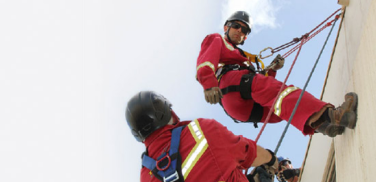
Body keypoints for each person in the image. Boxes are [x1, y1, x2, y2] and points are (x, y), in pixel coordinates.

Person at [195, 10, 358, 137]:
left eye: (244, 31)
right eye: (237, 26)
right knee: (282, 93)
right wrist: (209, 85)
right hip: (229, 85)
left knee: (280, 110)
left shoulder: (243, 58)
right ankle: (335, 115)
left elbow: (262, 87)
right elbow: (206, 62)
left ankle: (324, 126)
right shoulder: (217, 39)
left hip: (240, 107)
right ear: (226, 27)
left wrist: (271, 70)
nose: (240, 31)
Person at [125, 91, 279, 182]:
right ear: (168, 112)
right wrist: (272, 159)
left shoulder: (146, 175)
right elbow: (248, 153)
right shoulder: (201, 131)